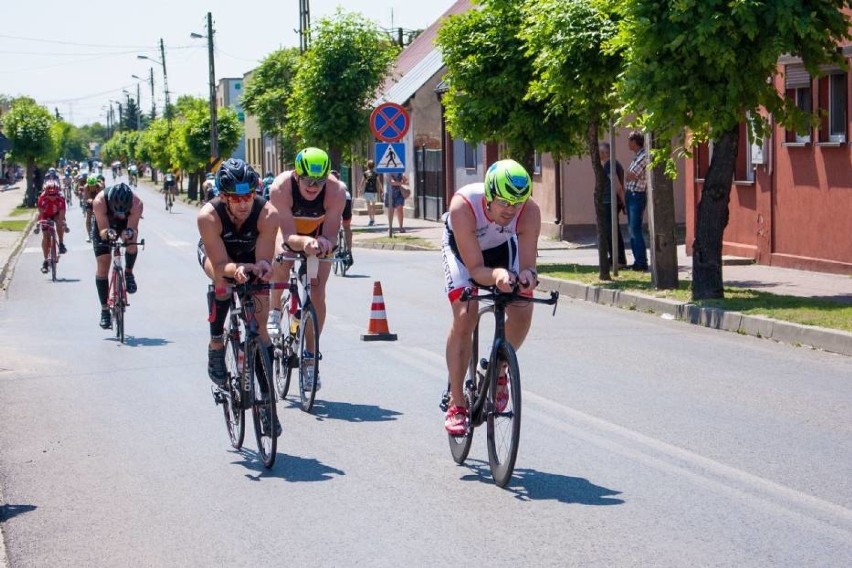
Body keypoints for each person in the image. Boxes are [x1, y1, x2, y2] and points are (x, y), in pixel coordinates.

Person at [440, 159, 541, 435]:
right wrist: (497, 275)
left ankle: (498, 370)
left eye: (517, 203)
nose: (511, 210)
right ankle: (457, 402)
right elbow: (474, 270)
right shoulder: (463, 206)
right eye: (504, 202)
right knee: (465, 314)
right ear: (488, 196)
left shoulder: (529, 211)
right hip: (464, 255)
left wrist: (528, 276)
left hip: (500, 251)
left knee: (523, 309)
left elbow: (528, 264)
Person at [197, 158, 281, 436]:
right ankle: (217, 343)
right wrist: (237, 269)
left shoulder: (267, 213)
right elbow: (221, 264)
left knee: (259, 326)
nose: (244, 203)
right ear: (223, 195)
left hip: (250, 255)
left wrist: (264, 268)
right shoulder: (208, 216)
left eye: (248, 196)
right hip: (220, 257)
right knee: (222, 283)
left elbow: (264, 258)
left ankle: (268, 406)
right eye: (236, 197)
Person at [267, 147, 347, 391]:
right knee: (283, 258)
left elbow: (332, 233)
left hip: (317, 233)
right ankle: (274, 310)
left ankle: (310, 357)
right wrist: (304, 244)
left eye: (319, 181)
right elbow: (288, 234)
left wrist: (325, 243)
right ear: (296, 174)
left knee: (317, 291)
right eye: (308, 180)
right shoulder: (280, 188)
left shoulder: (336, 191)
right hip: (289, 232)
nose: (313, 186)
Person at [91, 183, 143, 329]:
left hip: (124, 225)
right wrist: (108, 233)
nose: (120, 212)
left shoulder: (136, 203)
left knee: (131, 240)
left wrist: (128, 233)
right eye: (117, 209)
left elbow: (133, 228)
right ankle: (105, 310)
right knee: (103, 262)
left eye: (123, 210)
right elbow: (102, 231)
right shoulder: (99, 201)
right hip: (105, 225)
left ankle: (128, 273)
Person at [599, 142, 627, 269]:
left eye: (600, 152)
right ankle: (616, 257)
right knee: (612, 231)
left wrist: (624, 202)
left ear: (605, 152)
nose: (599, 155)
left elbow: (617, 185)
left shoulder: (610, 165)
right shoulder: (614, 164)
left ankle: (618, 259)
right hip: (612, 201)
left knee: (611, 231)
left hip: (610, 202)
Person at [625, 130, 649, 271]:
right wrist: (630, 176)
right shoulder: (636, 157)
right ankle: (637, 261)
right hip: (631, 194)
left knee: (635, 229)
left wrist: (630, 176)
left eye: (629, 140)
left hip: (637, 195)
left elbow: (632, 174)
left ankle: (641, 261)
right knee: (631, 229)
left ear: (635, 141)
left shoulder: (643, 156)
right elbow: (629, 175)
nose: (628, 143)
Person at [34, 180, 68, 272]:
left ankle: (61, 243)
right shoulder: (42, 197)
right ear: (46, 193)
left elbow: (62, 214)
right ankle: (45, 260)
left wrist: (62, 222)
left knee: (59, 223)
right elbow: (40, 213)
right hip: (45, 215)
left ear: (58, 193)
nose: (52, 197)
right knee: (46, 237)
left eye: (54, 195)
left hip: (56, 214)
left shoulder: (61, 197)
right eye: (50, 195)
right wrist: (40, 223)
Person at [331, 169, 353, 267]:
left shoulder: (327, 183)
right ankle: (349, 251)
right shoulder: (342, 184)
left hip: (336, 200)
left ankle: (334, 247)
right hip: (347, 199)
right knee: (347, 226)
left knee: (331, 224)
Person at [358, 160, 382, 226]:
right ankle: (373, 218)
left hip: (367, 191)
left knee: (368, 205)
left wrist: (359, 190)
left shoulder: (365, 173)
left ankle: (370, 219)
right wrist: (382, 190)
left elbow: (362, 182)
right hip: (374, 191)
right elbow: (379, 182)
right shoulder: (375, 174)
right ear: (374, 166)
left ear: (367, 166)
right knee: (373, 206)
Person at [385, 171, 408, 236]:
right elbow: (391, 182)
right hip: (390, 193)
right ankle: (390, 227)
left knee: (400, 209)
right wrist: (401, 183)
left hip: (399, 192)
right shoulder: (388, 171)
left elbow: (406, 181)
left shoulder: (400, 170)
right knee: (391, 210)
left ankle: (401, 227)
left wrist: (404, 179)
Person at [83, 175, 105, 241]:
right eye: (90, 186)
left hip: (99, 200)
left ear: (96, 184)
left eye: (93, 186)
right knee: (88, 215)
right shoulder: (86, 187)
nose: (92, 187)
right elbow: (86, 198)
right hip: (90, 201)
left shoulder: (100, 186)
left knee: (102, 215)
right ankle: (89, 234)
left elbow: (102, 198)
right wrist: (89, 200)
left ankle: (103, 231)